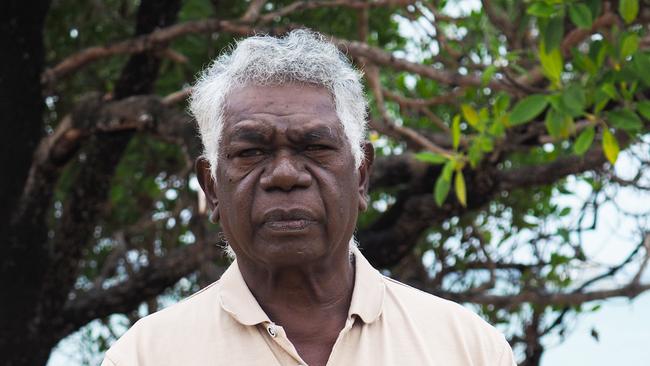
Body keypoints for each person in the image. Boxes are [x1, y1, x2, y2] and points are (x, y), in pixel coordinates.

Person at [102, 30, 516, 366]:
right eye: (251, 152)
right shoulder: (145, 356)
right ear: (211, 187)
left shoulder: (467, 350)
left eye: (315, 148)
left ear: (361, 175)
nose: (285, 175)